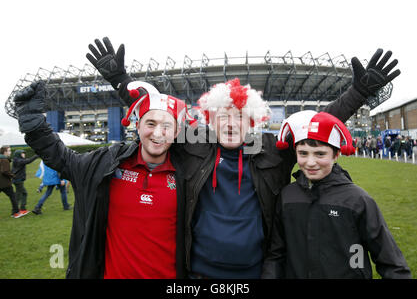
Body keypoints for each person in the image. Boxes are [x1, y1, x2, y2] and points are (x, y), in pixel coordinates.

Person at [85, 37, 401, 278]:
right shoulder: (195, 147)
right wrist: (119, 81)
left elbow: (315, 126)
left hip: (254, 270)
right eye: (224, 117)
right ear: (211, 120)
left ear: (252, 121)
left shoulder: (271, 152)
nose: (231, 123)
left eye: (239, 117)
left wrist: (357, 94)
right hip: (198, 272)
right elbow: (156, 112)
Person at [14, 69, 196, 277]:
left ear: (177, 132)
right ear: (137, 126)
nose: (157, 133)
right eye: (150, 123)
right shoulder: (107, 163)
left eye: (166, 126)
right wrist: (35, 126)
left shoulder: (190, 174)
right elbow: (63, 159)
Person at [263, 110, 411, 278]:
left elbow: (391, 262)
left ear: (336, 154)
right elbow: (276, 255)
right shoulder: (287, 196)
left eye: (320, 154)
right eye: (303, 153)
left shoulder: (358, 200)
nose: (311, 162)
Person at [11, 149, 38, 215]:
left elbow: (26, 160)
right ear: (18, 154)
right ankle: (18, 210)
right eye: (22, 153)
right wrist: (37, 155)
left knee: (19, 194)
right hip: (18, 180)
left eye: (24, 153)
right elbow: (28, 161)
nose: (24, 154)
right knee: (22, 194)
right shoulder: (18, 161)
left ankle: (19, 209)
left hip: (17, 180)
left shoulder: (17, 160)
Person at [1, 146, 25, 218]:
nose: (10, 152)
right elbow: (5, 171)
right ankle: (16, 213)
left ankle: (15, 212)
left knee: (13, 196)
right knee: (13, 196)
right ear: (5, 152)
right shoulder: (5, 160)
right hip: (5, 183)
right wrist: (13, 176)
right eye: (9, 151)